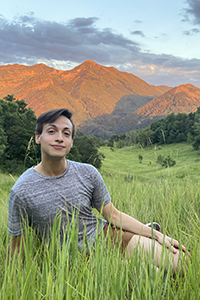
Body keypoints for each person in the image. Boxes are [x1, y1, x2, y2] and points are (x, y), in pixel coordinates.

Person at [8, 108, 188, 273]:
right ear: (38, 137)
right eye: (52, 131)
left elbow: (113, 216)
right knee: (152, 275)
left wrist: (157, 236)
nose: (59, 138)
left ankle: (145, 231)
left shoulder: (87, 172)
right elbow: (18, 246)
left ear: (71, 141)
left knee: (183, 263)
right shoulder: (22, 190)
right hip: (76, 260)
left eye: (66, 133)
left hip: (107, 236)